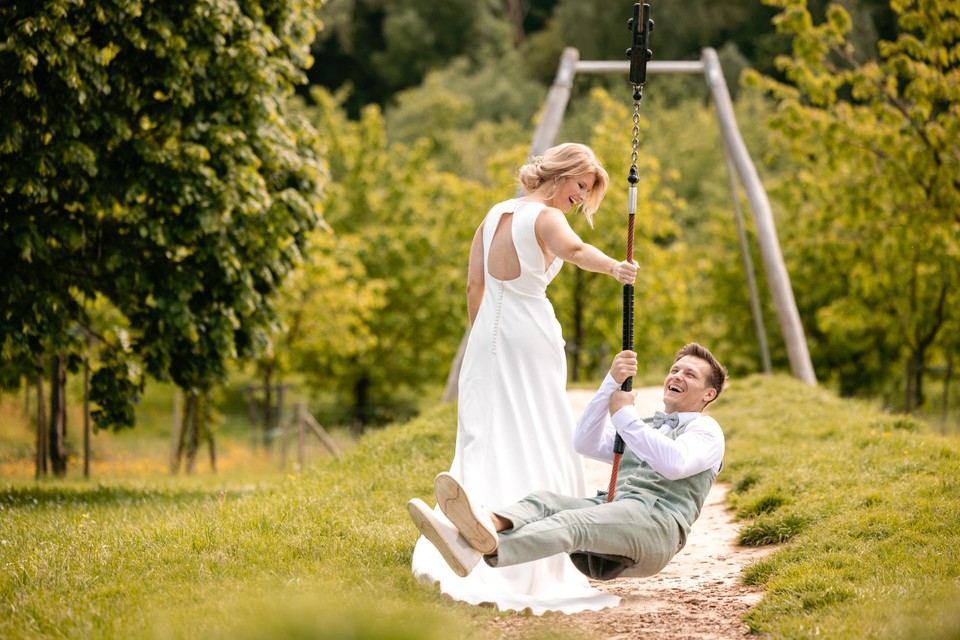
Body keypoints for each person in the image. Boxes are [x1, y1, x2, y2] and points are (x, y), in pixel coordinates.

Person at [409, 143, 637, 614]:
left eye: (587, 192)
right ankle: (517, 550)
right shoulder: (545, 216)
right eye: (581, 186)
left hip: (486, 340)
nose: (580, 198)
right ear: (563, 174)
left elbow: (474, 286)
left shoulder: (493, 215)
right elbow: (573, 250)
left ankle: (467, 530)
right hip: (530, 334)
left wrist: (485, 340)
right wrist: (615, 266)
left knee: (484, 436)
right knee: (539, 434)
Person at [408, 343, 727, 584]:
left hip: (657, 528)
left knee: (574, 523)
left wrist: (624, 416)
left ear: (708, 393)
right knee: (545, 501)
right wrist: (610, 385)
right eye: (675, 369)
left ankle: (481, 550)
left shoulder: (706, 430)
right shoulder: (645, 426)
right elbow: (584, 441)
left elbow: (674, 464)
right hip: (615, 509)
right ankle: (482, 526)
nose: (677, 376)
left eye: (690, 374)